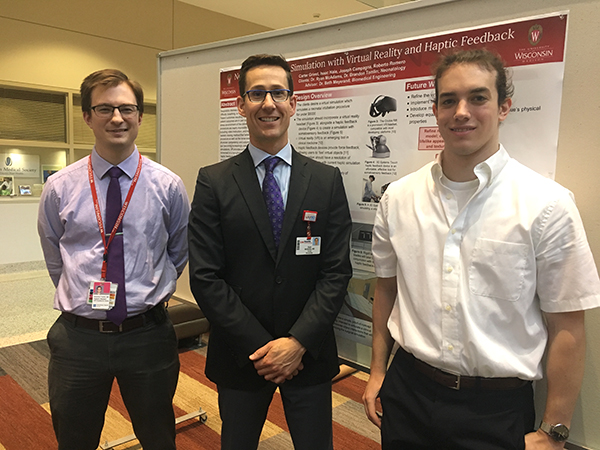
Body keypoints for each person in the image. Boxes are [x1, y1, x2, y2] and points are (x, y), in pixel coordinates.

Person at [362, 49, 600, 450]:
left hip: (495, 408)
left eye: (478, 97)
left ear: (503, 106)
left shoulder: (547, 205)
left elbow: (567, 326)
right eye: (449, 100)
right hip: (408, 391)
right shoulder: (398, 198)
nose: (461, 112)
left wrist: (555, 430)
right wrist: (376, 371)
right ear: (435, 109)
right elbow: (387, 289)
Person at [188, 54, 352, 450]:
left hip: (307, 355)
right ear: (240, 104)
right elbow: (206, 277)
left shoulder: (326, 180)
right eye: (257, 93)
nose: (269, 103)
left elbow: (336, 272)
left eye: (279, 92)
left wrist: (296, 343)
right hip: (243, 355)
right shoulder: (214, 181)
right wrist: (264, 350)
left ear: (293, 103)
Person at [38, 69, 190, 450]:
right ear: (87, 117)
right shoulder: (60, 187)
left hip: (148, 335)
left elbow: (178, 250)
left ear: (140, 116)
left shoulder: (168, 185)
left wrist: (150, 288)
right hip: (78, 339)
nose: (117, 118)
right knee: (75, 439)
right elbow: (54, 253)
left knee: (158, 436)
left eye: (126, 108)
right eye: (104, 108)